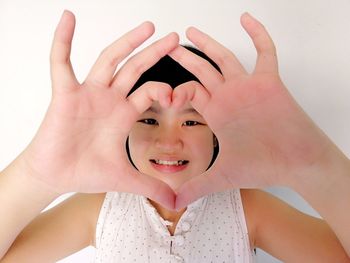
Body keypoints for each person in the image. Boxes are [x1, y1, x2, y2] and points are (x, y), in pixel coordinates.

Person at [0, 9, 349, 262]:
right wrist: (34, 176)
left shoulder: (246, 209)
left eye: (192, 122)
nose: (168, 142)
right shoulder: (100, 209)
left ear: (218, 135)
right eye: (149, 121)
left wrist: (316, 166)